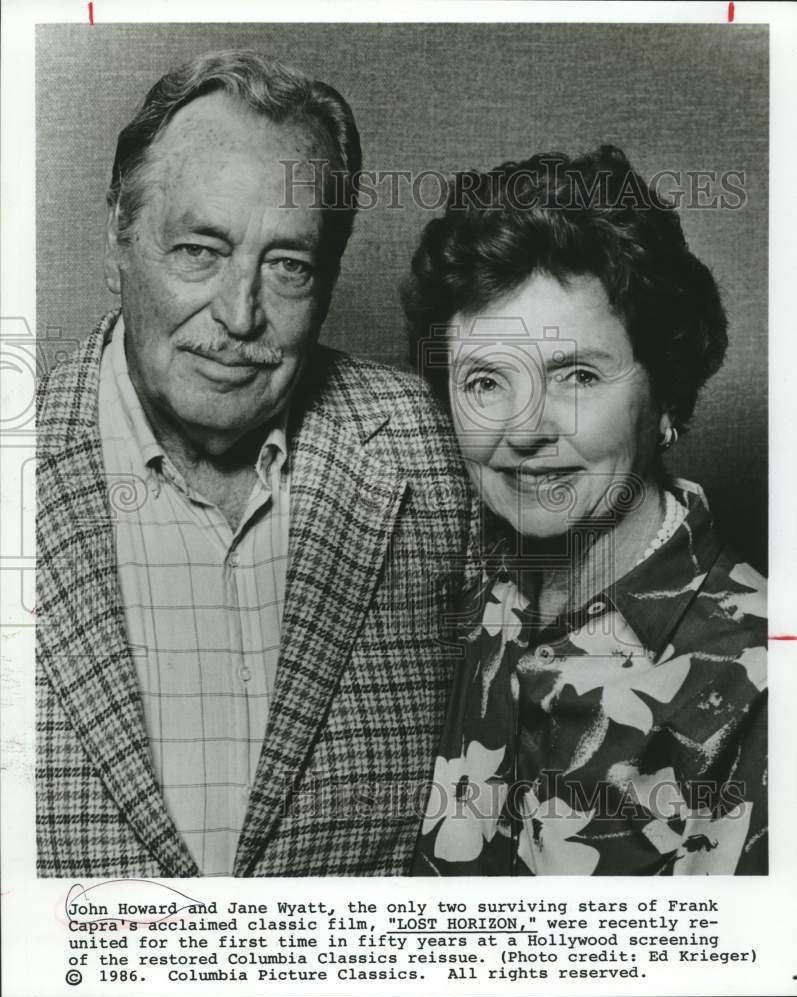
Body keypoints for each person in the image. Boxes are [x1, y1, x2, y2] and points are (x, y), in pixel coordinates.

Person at [35, 50, 474, 877]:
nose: (240, 315)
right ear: (117, 241)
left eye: (288, 266)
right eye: (200, 250)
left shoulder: (417, 443)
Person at [404, 145, 767, 876]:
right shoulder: (468, 600)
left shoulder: (760, 685)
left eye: (574, 374)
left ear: (664, 391)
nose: (525, 428)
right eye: (483, 382)